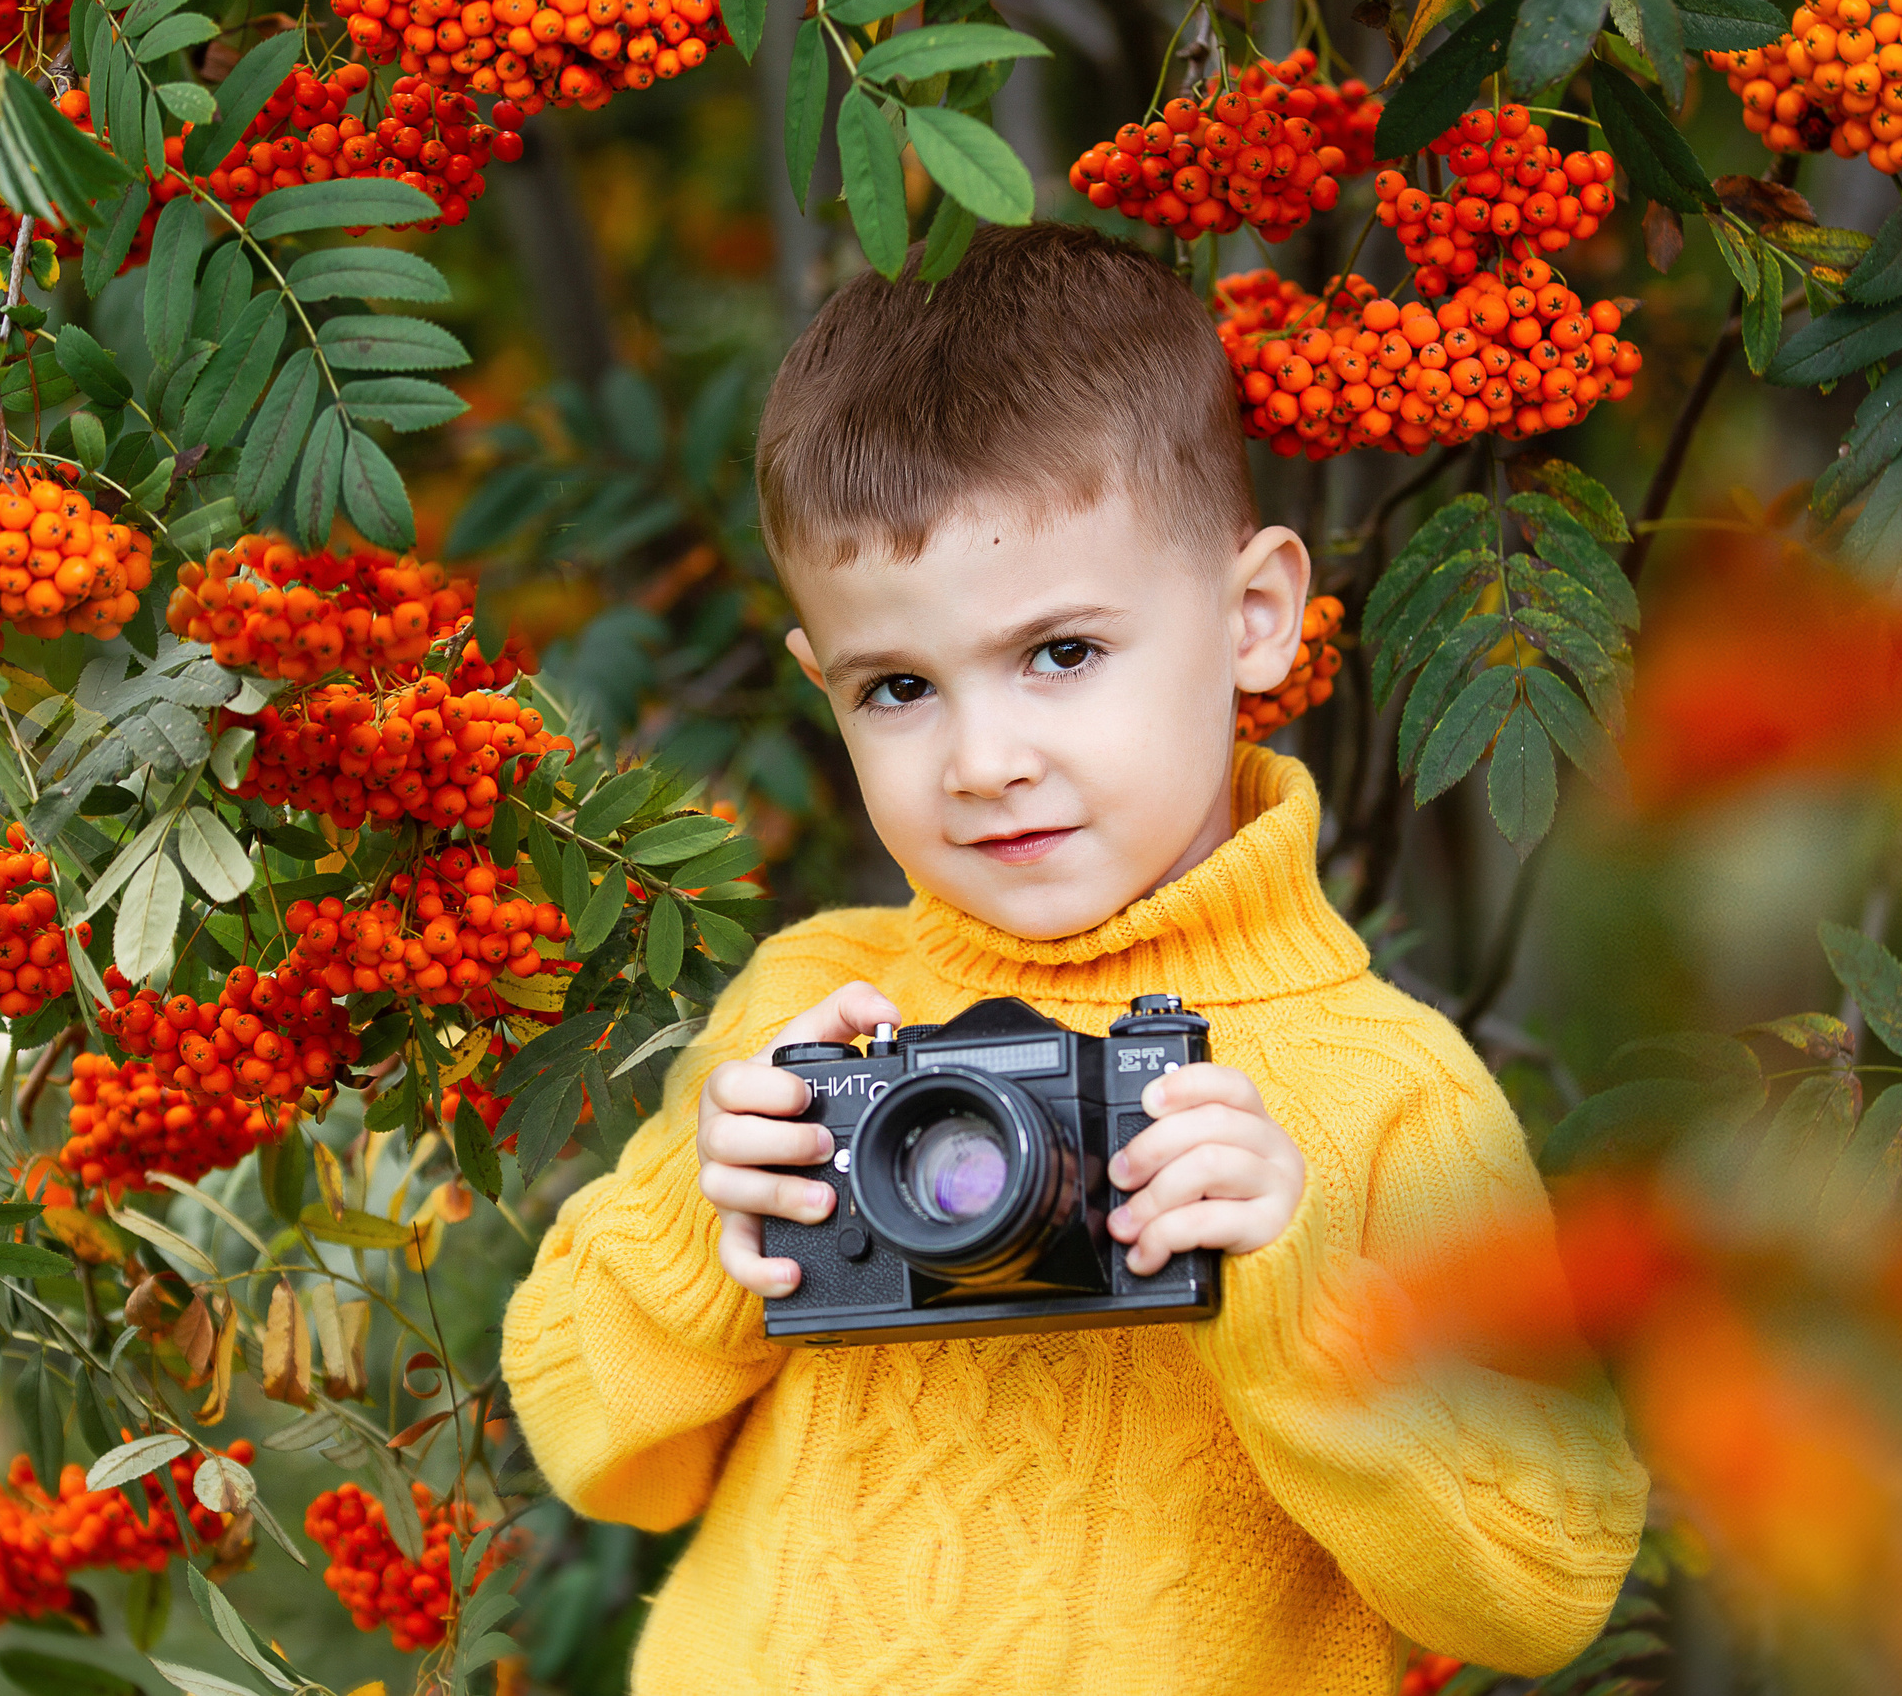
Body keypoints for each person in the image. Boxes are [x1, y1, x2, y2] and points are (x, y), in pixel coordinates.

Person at [502, 223, 1648, 1693]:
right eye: (901, 685)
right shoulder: (813, 1013)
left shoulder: (1379, 1095)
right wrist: (706, 1233)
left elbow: (1545, 1580)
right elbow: (600, 1453)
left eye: (1060, 653)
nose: (986, 759)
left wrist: (1299, 1305)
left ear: (1252, 617)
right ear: (822, 685)